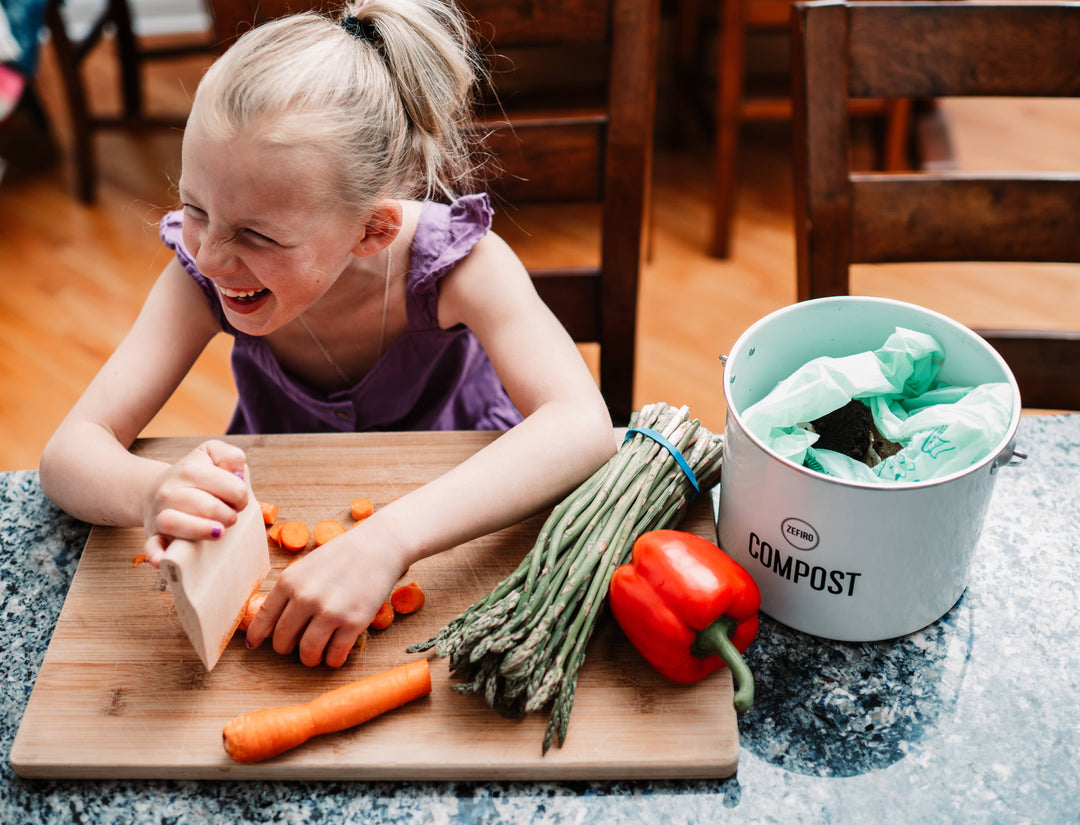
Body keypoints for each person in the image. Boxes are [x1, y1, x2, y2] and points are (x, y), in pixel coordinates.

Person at [39, 0, 615, 669]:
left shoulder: (461, 265)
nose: (213, 255)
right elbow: (67, 455)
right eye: (194, 207)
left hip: (469, 524)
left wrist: (389, 539)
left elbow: (583, 425)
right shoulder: (200, 273)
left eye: (257, 234)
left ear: (374, 229)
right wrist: (150, 491)